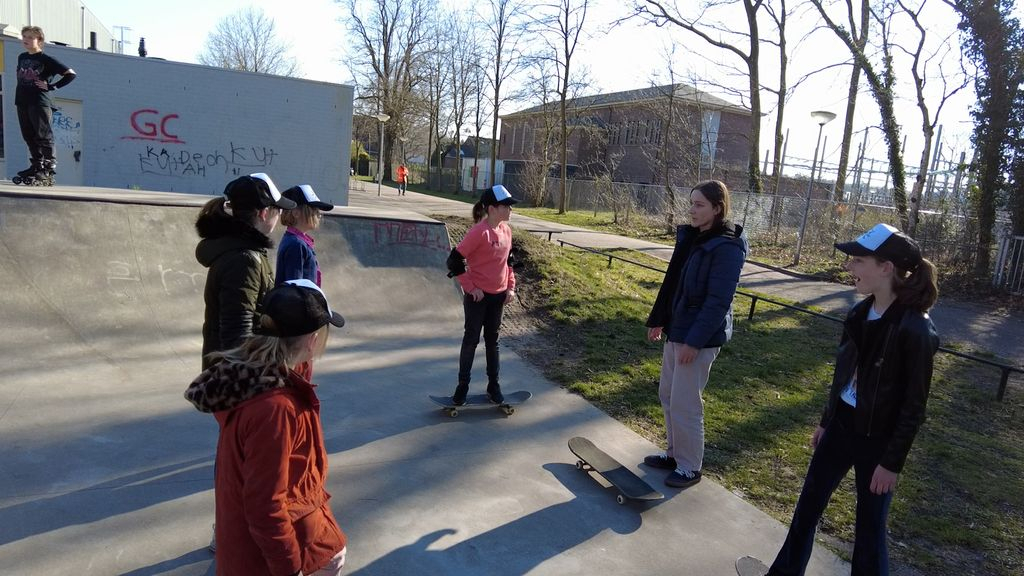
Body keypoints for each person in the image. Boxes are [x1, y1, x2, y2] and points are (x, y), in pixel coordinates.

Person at [766, 223, 939, 576]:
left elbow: (914, 406)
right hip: (841, 427)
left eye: (858, 261)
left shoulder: (916, 329)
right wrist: (827, 420)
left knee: (869, 531)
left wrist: (892, 463)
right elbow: (844, 377)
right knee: (806, 511)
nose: (849, 268)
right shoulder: (859, 313)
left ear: (885, 267)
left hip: (879, 443)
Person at [185, 279, 348, 576]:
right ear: (313, 339)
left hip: (288, 527)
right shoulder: (274, 409)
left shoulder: (253, 376)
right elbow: (265, 508)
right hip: (265, 560)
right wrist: (289, 570)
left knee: (334, 555)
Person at [644, 180, 747, 488]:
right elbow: (674, 282)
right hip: (678, 330)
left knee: (686, 403)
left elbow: (718, 301)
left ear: (718, 209)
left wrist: (693, 342)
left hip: (698, 338)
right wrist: (660, 319)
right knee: (668, 396)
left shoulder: (727, 247)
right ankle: (675, 455)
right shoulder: (695, 238)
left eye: (700, 204)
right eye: (691, 203)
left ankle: (690, 466)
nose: (692, 209)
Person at [196, 172, 295, 371]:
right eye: (277, 210)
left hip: (235, 374)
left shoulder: (246, 252)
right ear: (263, 213)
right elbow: (237, 337)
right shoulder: (243, 260)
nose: (279, 217)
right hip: (234, 383)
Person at [448, 185, 518, 406]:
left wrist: (510, 287)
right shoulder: (479, 232)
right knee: (471, 341)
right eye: (506, 206)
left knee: (492, 342)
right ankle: (462, 387)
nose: (510, 210)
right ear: (492, 208)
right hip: (478, 299)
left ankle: (493, 385)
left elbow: (509, 262)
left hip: (498, 297)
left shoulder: (507, 230)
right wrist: (470, 287)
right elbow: (454, 261)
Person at [276, 184, 335, 381]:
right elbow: (294, 291)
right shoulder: (295, 245)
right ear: (296, 213)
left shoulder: (300, 242)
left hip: (304, 322)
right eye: (314, 210)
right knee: (299, 372)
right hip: (299, 325)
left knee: (303, 370)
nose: (319, 215)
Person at [14, 26, 76, 181]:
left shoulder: (46, 59)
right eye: (24, 37)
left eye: (30, 37)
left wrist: (52, 86)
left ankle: (49, 167)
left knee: (43, 135)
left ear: (39, 40)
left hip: (40, 102)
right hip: (22, 101)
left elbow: (70, 74)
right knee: (28, 135)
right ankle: (37, 165)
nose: (26, 40)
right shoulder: (21, 57)